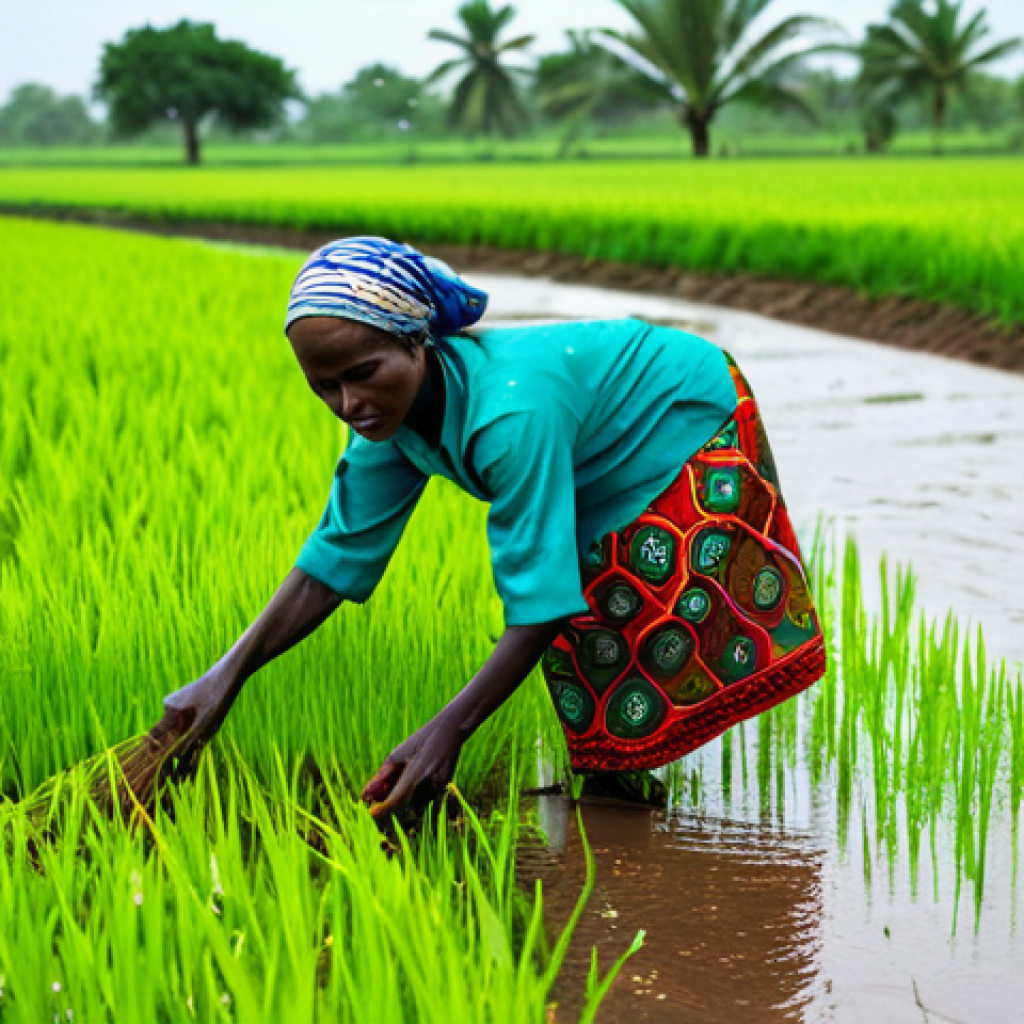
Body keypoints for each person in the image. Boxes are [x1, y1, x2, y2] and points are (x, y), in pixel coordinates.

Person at [159, 236, 826, 817]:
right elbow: (332, 561)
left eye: (364, 374)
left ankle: (621, 799)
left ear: (418, 342)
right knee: (588, 615)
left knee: (618, 595)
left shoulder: (509, 418)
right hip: (588, 442)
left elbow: (539, 601)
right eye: (324, 387)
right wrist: (225, 678)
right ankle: (616, 795)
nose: (349, 404)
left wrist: (450, 729)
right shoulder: (384, 426)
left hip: (679, 410)